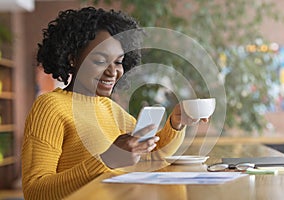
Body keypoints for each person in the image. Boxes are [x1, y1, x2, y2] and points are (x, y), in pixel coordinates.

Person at [21, 7, 207, 200]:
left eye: (118, 62)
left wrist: (176, 123)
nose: (113, 72)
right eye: (100, 61)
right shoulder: (50, 106)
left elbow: (152, 157)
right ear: (72, 59)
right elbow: (35, 191)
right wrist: (106, 160)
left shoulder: (111, 110)